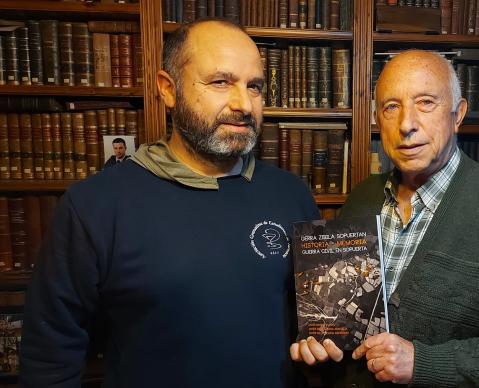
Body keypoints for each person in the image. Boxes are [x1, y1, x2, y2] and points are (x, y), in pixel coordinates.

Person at [21, 19, 319, 388]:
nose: (243, 104)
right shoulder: (94, 206)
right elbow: (49, 358)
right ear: (168, 89)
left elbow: (317, 324)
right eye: (221, 82)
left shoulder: (293, 195)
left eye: (254, 87)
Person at [291, 50, 479, 387]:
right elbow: (346, 322)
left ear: (458, 115)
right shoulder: (361, 199)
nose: (406, 124)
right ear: (376, 119)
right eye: (391, 107)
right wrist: (321, 347)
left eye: (426, 102)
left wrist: (424, 363)